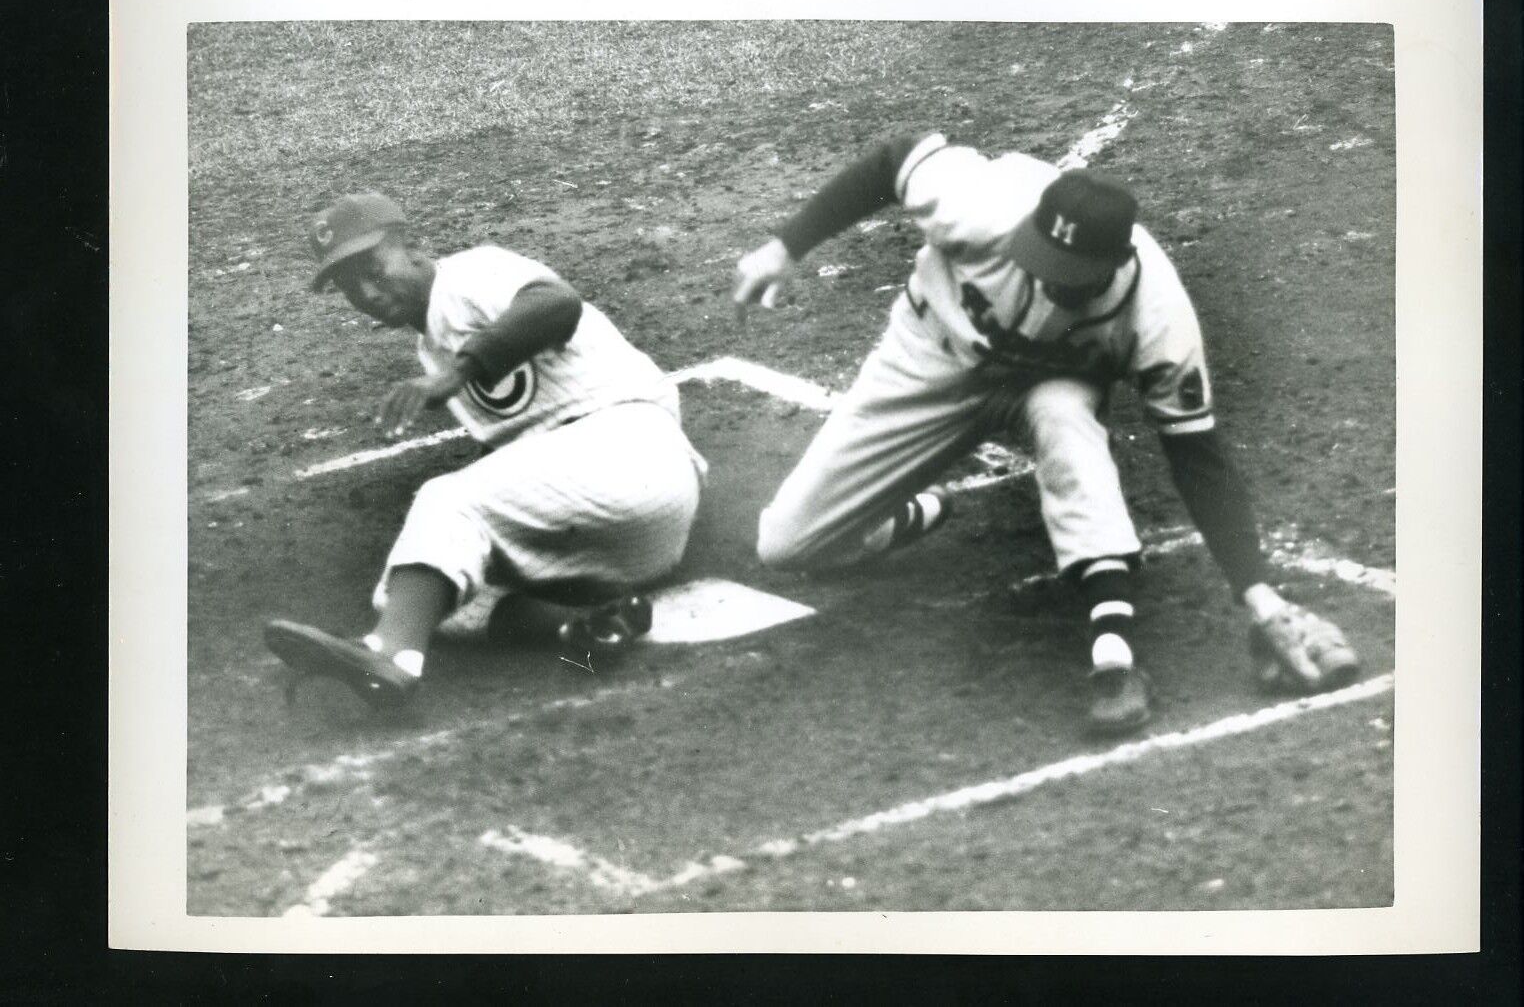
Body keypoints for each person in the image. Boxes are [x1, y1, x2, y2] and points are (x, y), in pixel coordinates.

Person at [733, 132, 1360, 735]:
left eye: (1067, 274)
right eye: (1042, 259)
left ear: (1114, 266)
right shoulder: (984, 205)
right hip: (932, 356)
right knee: (787, 545)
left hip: (1049, 389)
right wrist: (787, 246)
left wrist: (1261, 598)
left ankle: (1113, 652)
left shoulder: (1159, 316)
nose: (1045, 278)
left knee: (1067, 417)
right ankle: (895, 518)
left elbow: (1196, 453)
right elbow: (893, 161)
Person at [265, 192, 706, 709]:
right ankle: (588, 634)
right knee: (409, 591)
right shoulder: (430, 345)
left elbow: (557, 304)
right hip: (627, 545)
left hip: (631, 451)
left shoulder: (473, 275)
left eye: (373, 269)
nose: (366, 291)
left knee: (446, 500)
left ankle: (390, 660)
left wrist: (457, 372)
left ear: (410, 248)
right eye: (348, 285)